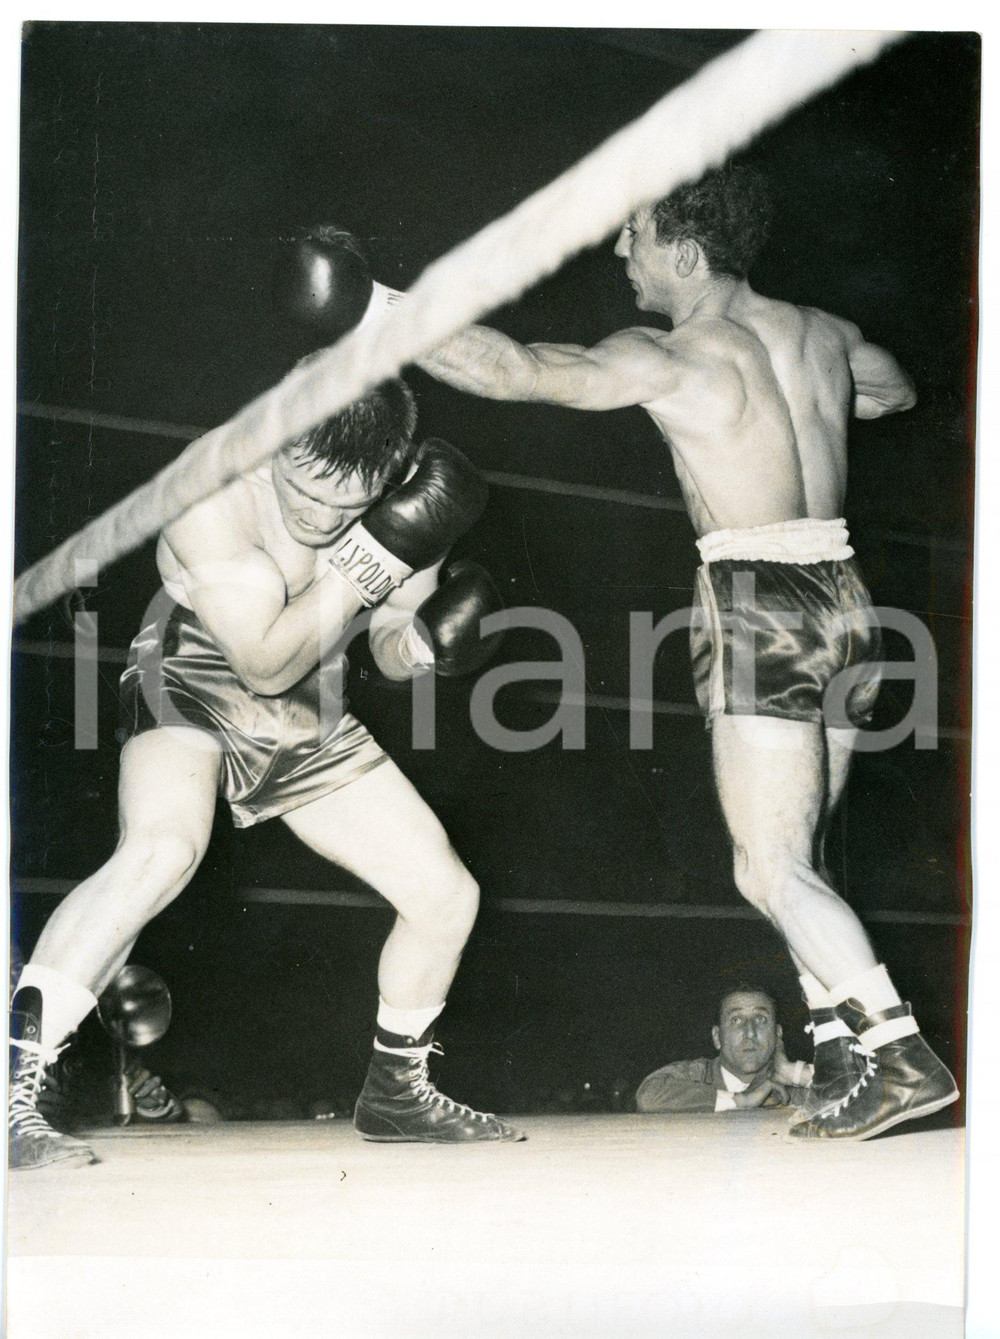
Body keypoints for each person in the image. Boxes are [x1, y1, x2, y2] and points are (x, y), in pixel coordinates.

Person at [414, 164, 959, 1140]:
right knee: (807, 850)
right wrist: (835, 411)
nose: (621, 251)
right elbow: (896, 388)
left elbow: (518, 370)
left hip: (759, 602)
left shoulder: (674, 357)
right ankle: (840, 1040)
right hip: (849, 598)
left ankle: (897, 1053)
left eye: (634, 235)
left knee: (768, 866)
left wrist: (385, 317)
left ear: (686, 253)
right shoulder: (822, 334)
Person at [9, 372, 522, 1170]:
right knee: (162, 849)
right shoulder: (209, 486)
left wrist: (421, 644)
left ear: (388, 479)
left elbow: (382, 640)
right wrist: (364, 558)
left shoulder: (403, 501)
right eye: (304, 491)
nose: (318, 518)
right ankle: (15, 1090)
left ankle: (396, 1089)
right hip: (196, 660)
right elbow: (261, 658)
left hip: (309, 682)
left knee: (446, 893)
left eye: (345, 507)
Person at [636, 987, 815, 1114]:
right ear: (716, 1037)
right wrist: (742, 1100)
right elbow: (648, 1095)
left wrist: (794, 1073)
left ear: (778, 1034)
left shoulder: (789, 1087)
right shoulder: (699, 1074)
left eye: (760, 1019)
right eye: (736, 1020)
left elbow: (841, 1092)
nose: (750, 1033)